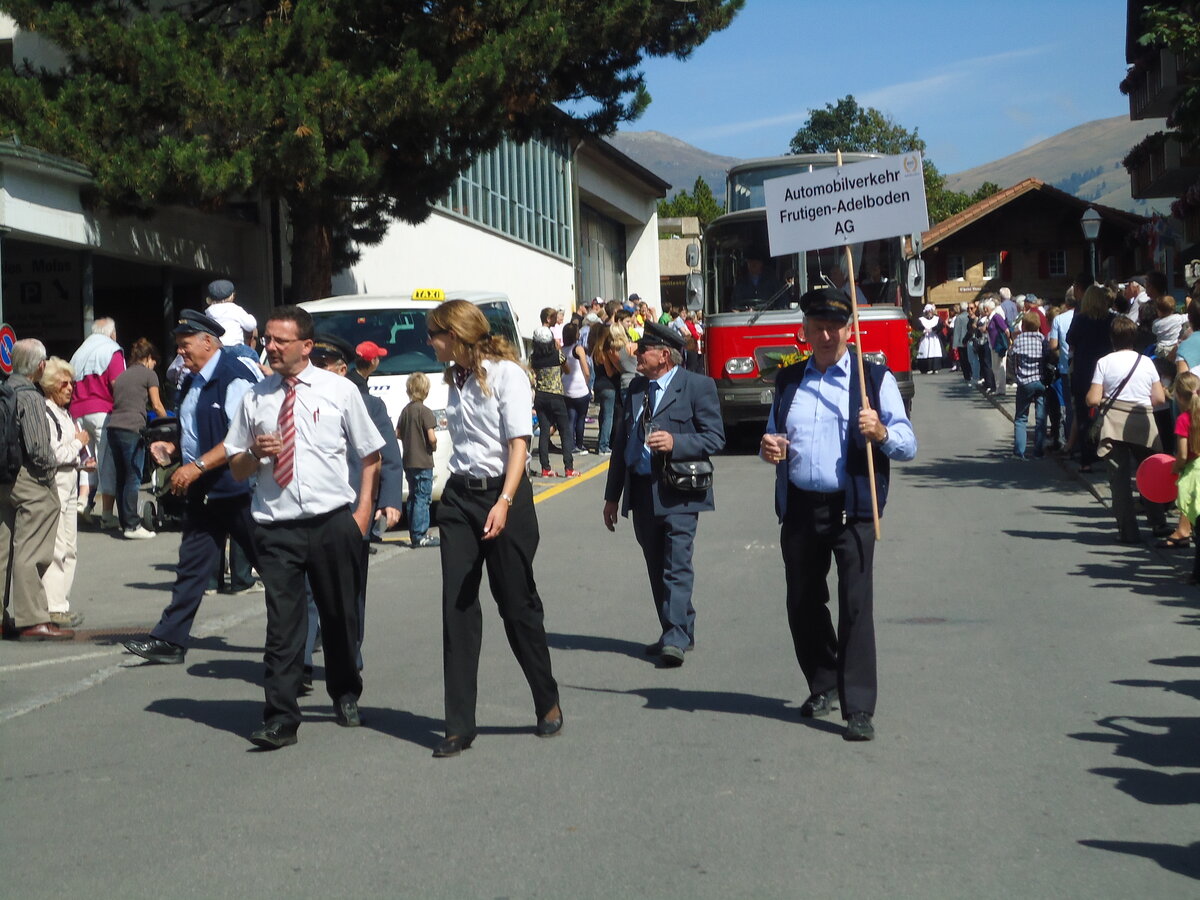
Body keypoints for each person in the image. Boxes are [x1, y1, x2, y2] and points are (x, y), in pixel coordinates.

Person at [759, 288, 917, 742]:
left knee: (855, 606)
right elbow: (774, 435)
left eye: (835, 326)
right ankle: (823, 683)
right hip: (801, 509)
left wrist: (881, 430)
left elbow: (908, 444)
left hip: (854, 510)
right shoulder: (788, 381)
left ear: (849, 330)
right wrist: (768, 448)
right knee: (803, 602)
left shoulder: (872, 379)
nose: (826, 334)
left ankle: (859, 706)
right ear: (805, 331)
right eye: (817, 326)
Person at [222, 306, 383, 750]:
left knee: (339, 616)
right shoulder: (255, 397)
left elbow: (371, 454)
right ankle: (280, 717)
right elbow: (236, 468)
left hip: (333, 521)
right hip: (277, 527)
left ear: (306, 346)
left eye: (280, 341)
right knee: (283, 625)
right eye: (267, 339)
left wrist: (363, 511)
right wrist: (254, 454)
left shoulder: (339, 390)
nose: (269, 347)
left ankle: (346, 691)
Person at [425, 299, 562, 758]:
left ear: (457, 334)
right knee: (457, 610)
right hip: (461, 498)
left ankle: (547, 700)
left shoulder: (507, 374)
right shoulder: (453, 378)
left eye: (435, 334)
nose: (431, 342)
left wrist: (503, 502)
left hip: (505, 496)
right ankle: (458, 725)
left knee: (516, 606)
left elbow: (519, 445)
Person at [122, 311, 259, 665]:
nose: (180, 355)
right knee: (192, 567)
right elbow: (194, 432)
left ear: (209, 342)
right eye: (179, 348)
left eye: (185, 347)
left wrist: (196, 466)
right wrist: (171, 449)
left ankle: (310, 627)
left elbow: (238, 439)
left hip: (237, 489)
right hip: (204, 493)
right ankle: (170, 639)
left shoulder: (234, 378)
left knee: (273, 564)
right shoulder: (190, 381)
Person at [603, 322, 725, 667]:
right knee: (657, 564)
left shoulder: (697, 387)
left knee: (677, 563)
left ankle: (675, 634)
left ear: (665, 355)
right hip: (642, 491)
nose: (636, 354)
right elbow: (620, 444)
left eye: (643, 350)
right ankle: (678, 627)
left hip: (679, 490)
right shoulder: (636, 388)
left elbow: (715, 438)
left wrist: (677, 443)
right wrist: (613, 497)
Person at [301, 333, 401, 682]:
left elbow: (388, 458)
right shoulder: (300, 398)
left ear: (341, 370)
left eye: (324, 365)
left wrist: (387, 502)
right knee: (307, 589)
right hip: (310, 510)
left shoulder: (370, 406)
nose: (317, 371)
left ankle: (348, 655)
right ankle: (301, 662)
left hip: (353, 511)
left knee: (349, 590)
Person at [1, 339, 70, 640]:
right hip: (29, 477)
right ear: (40, 366)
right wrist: (49, 473)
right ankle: (32, 619)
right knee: (31, 549)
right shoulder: (30, 396)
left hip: (3, 477)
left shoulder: (4, 389)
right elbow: (40, 448)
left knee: (2, 549)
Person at [1087, 315, 1170, 544]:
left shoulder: (1104, 362)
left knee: (1120, 480)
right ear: (1134, 337)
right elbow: (1159, 398)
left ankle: (1129, 531)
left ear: (1112, 338)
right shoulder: (1146, 362)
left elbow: (1093, 399)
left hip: (1114, 424)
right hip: (1143, 423)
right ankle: (1159, 522)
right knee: (1149, 474)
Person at [38, 357, 91, 628]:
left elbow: (68, 452)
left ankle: (63, 602)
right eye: (64, 383)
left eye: (71, 383)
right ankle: (54, 605)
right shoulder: (47, 413)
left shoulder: (65, 413)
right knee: (58, 545)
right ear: (50, 385)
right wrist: (77, 443)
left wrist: (83, 460)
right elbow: (55, 453)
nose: (70, 388)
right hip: (57, 480)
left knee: (70, 546)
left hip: (70, 477)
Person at [104, 338, 167, 539]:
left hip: (113, 428)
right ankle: (132, 525)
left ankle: (125, 522)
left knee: (121, 477)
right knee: (134, 476)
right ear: (148, 358)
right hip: (132, 428)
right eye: (153, 361)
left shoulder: (122, 376)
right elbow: (156, 405)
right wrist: (168, 422)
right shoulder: (149, 375)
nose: (154, 365)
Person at [69, 317, 124, 525]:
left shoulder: (79, 352)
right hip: (102, 409)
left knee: (87, 458)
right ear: (112, 333)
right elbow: (117, 383)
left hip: (77, 410)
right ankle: (108, 514)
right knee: (106, 460)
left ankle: (82, 500)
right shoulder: (112, 349)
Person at [1068, 281, 1116, 473]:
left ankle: (1086, 460)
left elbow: (1070, 342)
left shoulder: (1080, 320)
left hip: (1085, 370)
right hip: (1107, 371)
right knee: (1107, 414)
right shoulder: (1111, 319)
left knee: (1083, 416)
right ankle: (1107, 454)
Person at [397, 371, 439, 548]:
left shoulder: (405, 411)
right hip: (423, 461)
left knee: (414, 497)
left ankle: (414, 533)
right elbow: (431, 437)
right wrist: (434, 445)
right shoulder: (425, 412)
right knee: (423, 497)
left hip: (408, 461)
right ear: (426, 391)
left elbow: (397, 433)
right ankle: (421, 534)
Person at [530, 326, 577, 478]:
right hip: (556, 396)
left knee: (544, 431)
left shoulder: (533, 358)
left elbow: (534, 374)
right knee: (564, 431)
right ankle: (568, 468)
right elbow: (568, 370)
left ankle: (545, 468)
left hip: (541, 396)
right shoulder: (558, 355)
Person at [1164, 372, 1199, 551]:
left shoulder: (1183, 419)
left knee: (1188, 503)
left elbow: (1183, 454)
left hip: (1193, 472)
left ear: (1177, 395)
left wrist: (1175, 468)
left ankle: (1183, 532)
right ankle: (1183, 531)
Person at [1010, 312, 1048, 459]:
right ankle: (1038, 451)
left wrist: (1016, 375)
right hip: (1041, 381)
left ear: (1024, 326)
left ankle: (1019, 452)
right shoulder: (1042, 340)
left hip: (1025, 381)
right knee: (1041, 418)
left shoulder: (1019, 340)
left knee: (1021, 417)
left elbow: (1012, 358)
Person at [1048, 291, 1076, 453]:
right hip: (1085, 366)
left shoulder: (1059, 319)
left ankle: (1069, 442)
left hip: (1066, 367)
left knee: (1069, 407)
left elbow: (1053, 345)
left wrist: (1059, 356)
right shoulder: (1086, 316)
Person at [561, 322, 592, 456]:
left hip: (567, 388)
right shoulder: (578, 349)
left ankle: (570, 445)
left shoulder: (562, 350)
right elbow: (586, 370)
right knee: (581, 418)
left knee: (570, 418)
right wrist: (587, 383)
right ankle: (579, 444)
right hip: (580, 388)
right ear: (576, 335)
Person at [204, 279, 258, 353]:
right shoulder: (234, 309)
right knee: (253, 355)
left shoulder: (208, 312)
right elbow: (250, 326)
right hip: (235, 348)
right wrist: (251, 317)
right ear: (232, 296)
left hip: (216, 349)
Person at [915, 304, 944, 374]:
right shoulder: (921, 319)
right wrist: (924, 330)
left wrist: (933, 329)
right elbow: (918, 327)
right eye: (928, 311)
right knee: (926, 351)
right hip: (925, 338)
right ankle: (927, 368)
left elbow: (940, 326)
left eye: (930, 311)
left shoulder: (937, 319)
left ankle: (935, 368)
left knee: (934, 351)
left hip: (934, 338)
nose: (929, 313)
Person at [951, 302, 972, 381]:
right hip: (969, 341)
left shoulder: (959, 318)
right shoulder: (969, 316)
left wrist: (954, 345)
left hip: (961, 342)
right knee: (970, 359)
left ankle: (966, 376)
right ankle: (971, 373)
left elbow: (956, 331)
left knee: (963, 360)